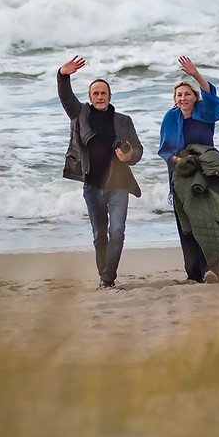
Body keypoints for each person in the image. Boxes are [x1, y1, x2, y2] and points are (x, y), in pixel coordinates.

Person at [56, 55, 143, 289]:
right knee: (99, 235)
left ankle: (108, 278)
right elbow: (66, 98)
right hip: (92, 186)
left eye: (103, 93)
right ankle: (104, 275)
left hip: (119, 185)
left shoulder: (124, 121)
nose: (100, 96)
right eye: (95, 93)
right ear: (90, 98)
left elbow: (138, 149)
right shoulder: (80, 114)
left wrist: (129, 156)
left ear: (110, 96)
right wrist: (63, 75)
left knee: (117, 232)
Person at [157, 56, 219, 284]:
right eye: (179, 95)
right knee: (187, 224)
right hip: (181, 174)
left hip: (206, 172)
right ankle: (193, 274)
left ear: (195, 98)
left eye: (187, 93)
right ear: (174, 100)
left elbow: (210, 94)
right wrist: (177, 159)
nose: (183, 97)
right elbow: (164, 149)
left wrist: (195, 74)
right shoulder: (170, 117)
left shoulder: (204, 113)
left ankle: (212, 271)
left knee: (209, 220)